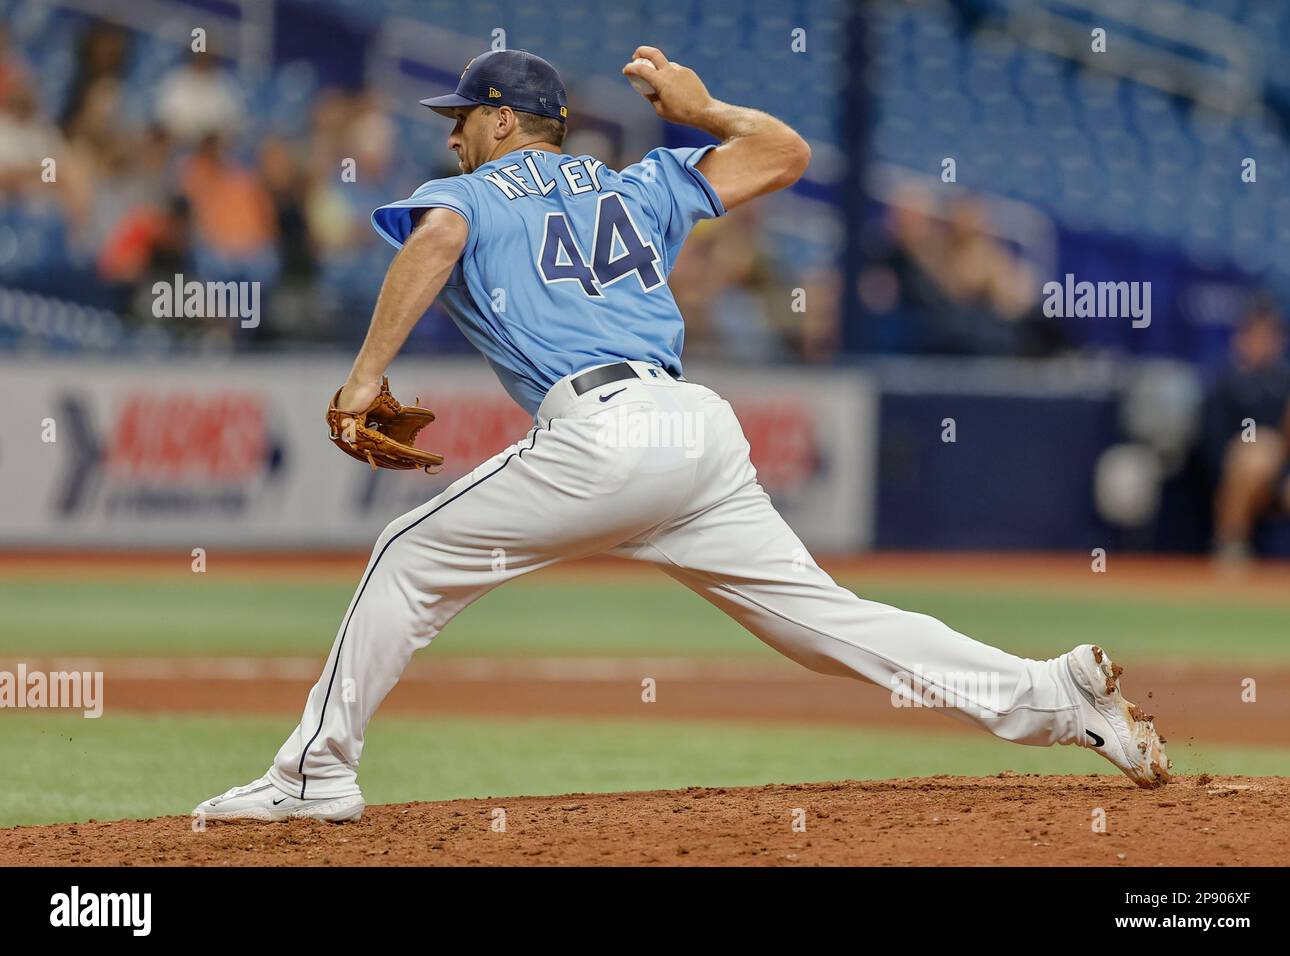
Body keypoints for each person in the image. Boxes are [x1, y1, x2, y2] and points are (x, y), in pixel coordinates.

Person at [195, 47, 1169, 823]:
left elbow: (436, 237)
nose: (452, 140)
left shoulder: (478, 192)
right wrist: (705, 113)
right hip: (696, 431)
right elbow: (785, 155)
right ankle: (1050, 693)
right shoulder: (634, 186)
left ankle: (315, 774)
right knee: (825, 624)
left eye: (461, 120)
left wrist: (364, 376)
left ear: (500, 120)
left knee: (404, 555)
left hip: (603, 430)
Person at [1203, 302, 1290, 564]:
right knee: (1255, 451)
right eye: (1256, 335)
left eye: (1269, 335)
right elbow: (1212, 442)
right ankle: (1230, 544)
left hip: (1285, 471)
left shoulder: (1288, 380)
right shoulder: (1225, 381)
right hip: (1238, 472)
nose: (1262, 342)